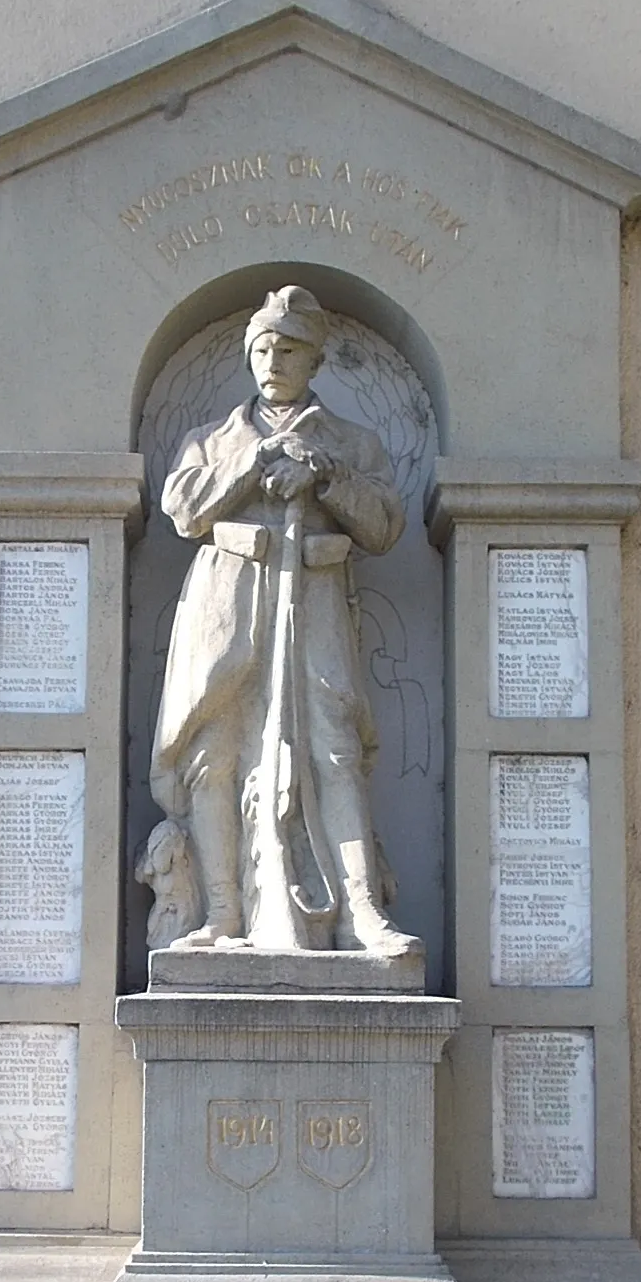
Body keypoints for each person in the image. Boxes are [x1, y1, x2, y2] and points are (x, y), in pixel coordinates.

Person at [147, 286, 420, 957]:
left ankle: (359, 913)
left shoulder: (349, 443)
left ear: (315, 359)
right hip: (226, 606)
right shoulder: (211, 440)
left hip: (316, 600)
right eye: (264, 349)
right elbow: (183, 510)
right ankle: (221, 914)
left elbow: (384, 524)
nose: (274, 361)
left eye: (289, 349)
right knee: (215, 752)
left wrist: (323, 476)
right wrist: (252, 464)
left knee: (335, 748)